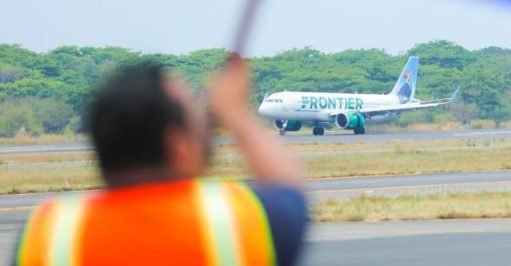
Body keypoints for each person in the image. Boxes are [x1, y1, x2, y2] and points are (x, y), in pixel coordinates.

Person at [15, 55, 307, 265]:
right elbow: (289, 190)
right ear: (177, 147)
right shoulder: (230, 221)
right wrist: (235, 113)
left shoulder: (48, 232)